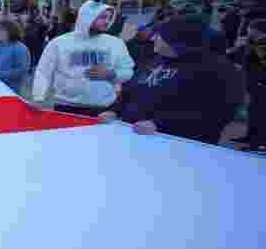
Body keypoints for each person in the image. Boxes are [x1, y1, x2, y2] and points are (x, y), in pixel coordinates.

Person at [98, 15, 244, 145]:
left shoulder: (217, 69)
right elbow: (130, 90)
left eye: (160, 35)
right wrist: (114, 110)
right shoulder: (154, 61)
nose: (154, 38)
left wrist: (159, 124)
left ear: (177, 40)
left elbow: (215, 111)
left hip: (178, 145)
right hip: (134, 137)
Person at [32, 0, 135, 117]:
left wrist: (111, 74)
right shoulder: (59, 43)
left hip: (103, 109)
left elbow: (128, 70)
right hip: (66, 107)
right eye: (102, 17)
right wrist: (38, 98)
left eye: (109, 18)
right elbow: (43, 72)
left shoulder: (116, 43)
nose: (107, 21)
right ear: (87, 17)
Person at [230, 19, 266, 152]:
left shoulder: (261, 44)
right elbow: (240, 56)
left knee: (261, 114)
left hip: (262, 84)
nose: (248, 31)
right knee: (253, 112)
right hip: (253, 83)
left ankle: (259, 143)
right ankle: (250, 137)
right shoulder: (251, 42)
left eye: (251, 29)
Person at [0, 19, 31, 94]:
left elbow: (21, 70)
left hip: (10, 90)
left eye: (0, 29)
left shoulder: (20, 48)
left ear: (9, 31)